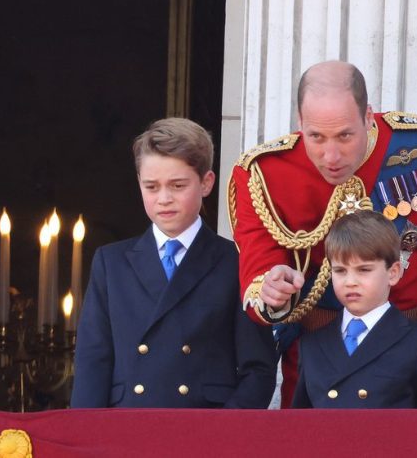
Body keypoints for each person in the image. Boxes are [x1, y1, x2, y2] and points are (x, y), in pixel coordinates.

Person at [229, 60, 417, 408]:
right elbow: (258, 271)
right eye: (316, 137)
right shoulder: (263, 173)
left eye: (345, 136)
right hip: (319, 365)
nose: (331, 155)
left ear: (369, 117)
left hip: (413, 361)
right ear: (299, 122)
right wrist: (273, 290)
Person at [72, 118, 278, 408]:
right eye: (152, 187)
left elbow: (259, 369)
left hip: (204, 434)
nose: (164, 199)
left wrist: (224, 435)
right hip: (126, 432)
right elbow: (92, 364)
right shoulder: (111, 263)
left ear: (206, 183)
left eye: (178, 185)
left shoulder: (236, 262)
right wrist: (87, 442)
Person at [292, 210, 417, 408]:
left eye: (364, 270)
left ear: (393, 273)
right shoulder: (312, 345)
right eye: (340, 271)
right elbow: (301, 424)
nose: (350, 282)